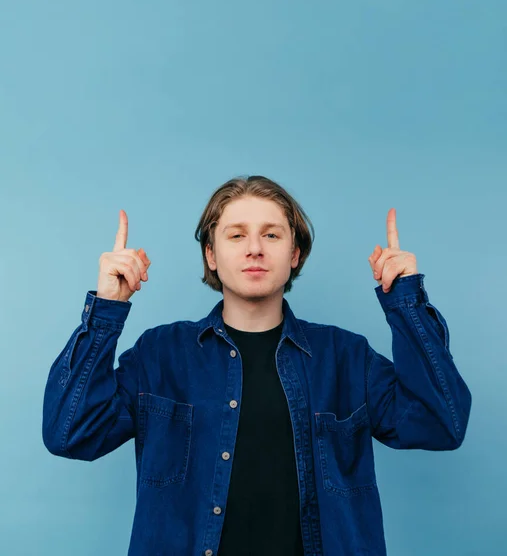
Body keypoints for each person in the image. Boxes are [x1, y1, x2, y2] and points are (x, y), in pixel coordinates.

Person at [42, 175, 472, 556]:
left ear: (295, 254)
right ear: (211, 255)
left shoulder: (346, 357)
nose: (254, 249)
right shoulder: (161, 355)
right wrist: (106, 310)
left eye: (271, 235)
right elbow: (70, 432)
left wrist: (406, 303)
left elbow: (441, 424)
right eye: (236, 235)